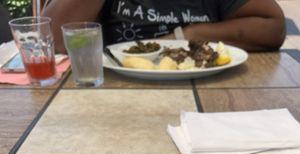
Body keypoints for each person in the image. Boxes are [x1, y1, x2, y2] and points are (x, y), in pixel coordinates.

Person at [43, 0, 286, 53]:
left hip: (209, 92)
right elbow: (51, 40)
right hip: (119, 92)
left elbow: (273, 27)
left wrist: (187, 35)